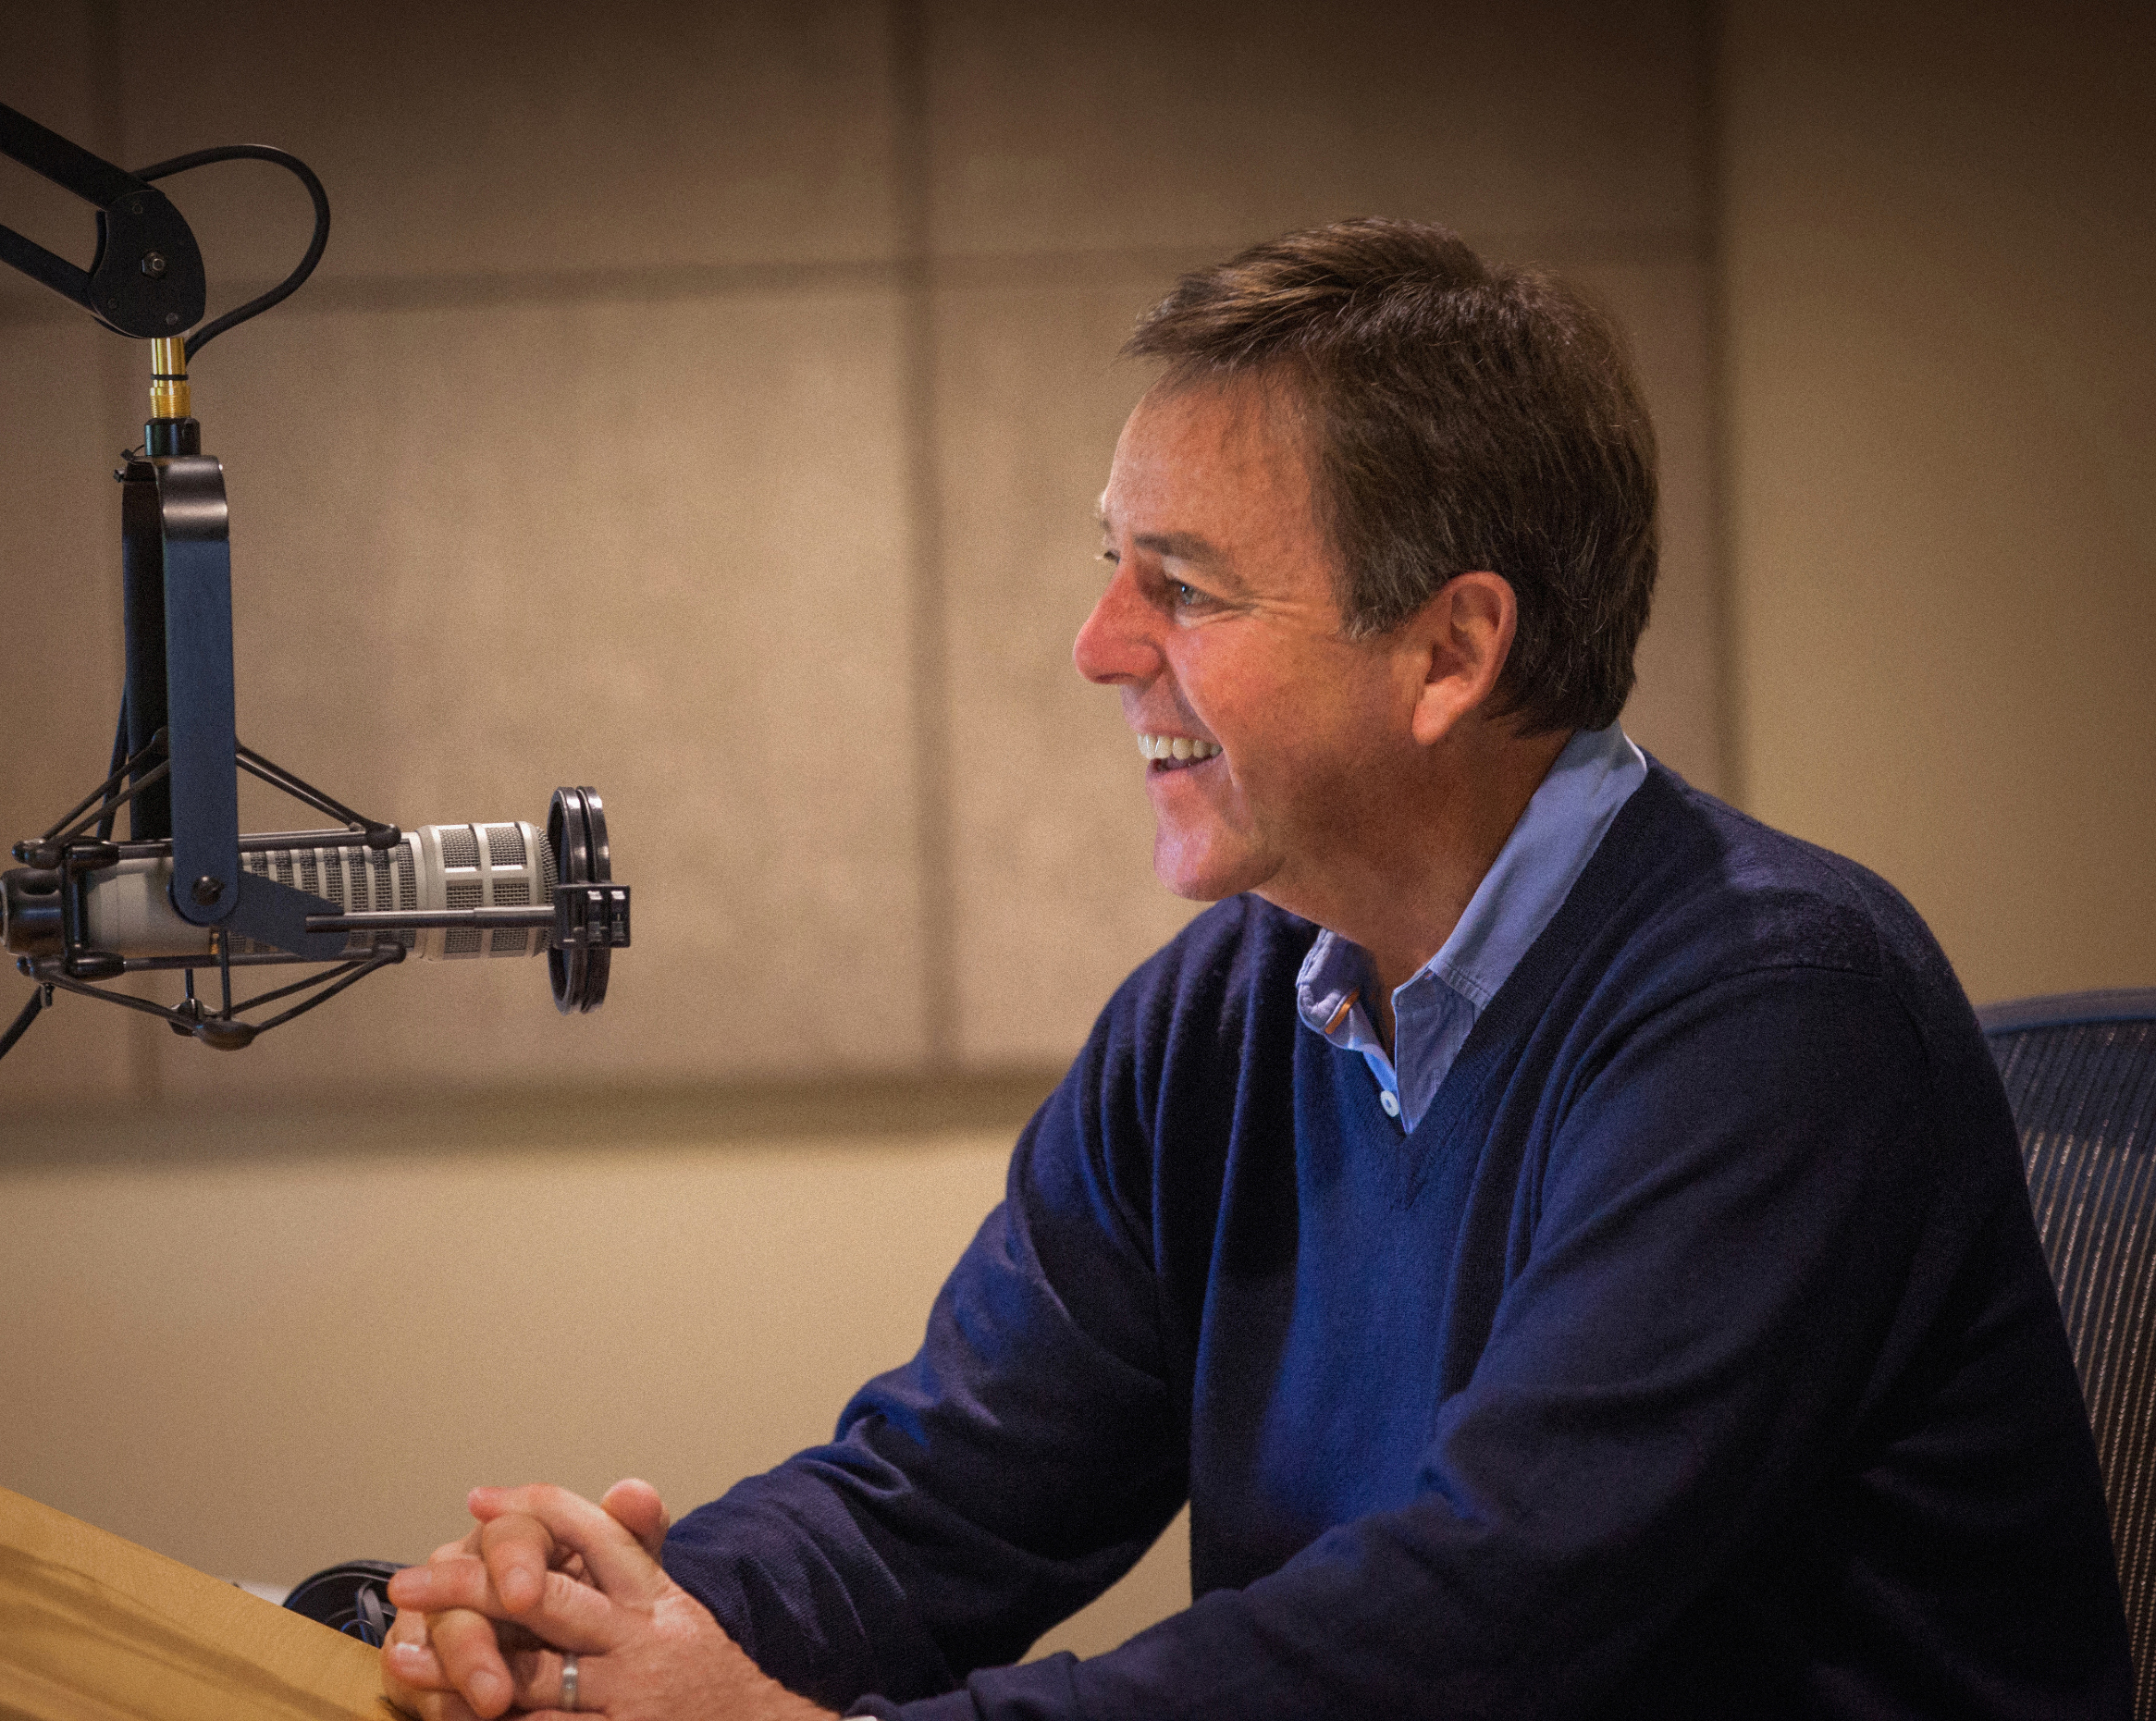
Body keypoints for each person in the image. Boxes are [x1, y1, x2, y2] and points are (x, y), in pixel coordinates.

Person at [375, 218, 2132, 1719]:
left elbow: (1470, 1630)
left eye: (1188, 589)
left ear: (1450, 651)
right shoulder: (1220, 1017)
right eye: (1110, 568)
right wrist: (589, 1630)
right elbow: (939, 1497)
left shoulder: (1780, 1017)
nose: (1098, 646)